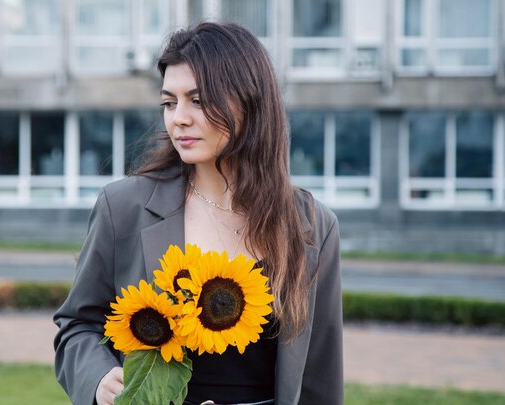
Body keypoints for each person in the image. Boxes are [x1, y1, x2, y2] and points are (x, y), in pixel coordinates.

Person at [54, 22, 343, 405]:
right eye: (169, 103)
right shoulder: (122, 207)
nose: (179, 119)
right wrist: (98, 378)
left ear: (250, 101)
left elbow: (319, 375)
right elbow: (77, 325)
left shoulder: (313, 225)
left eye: (199, 100)